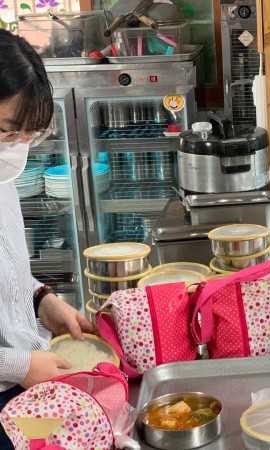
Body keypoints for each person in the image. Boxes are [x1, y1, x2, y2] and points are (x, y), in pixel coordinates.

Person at [0, 30, 97, 447]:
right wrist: (19, 366)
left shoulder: (2, 178)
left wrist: (42, 300)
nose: (17, 147)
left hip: (21, 389)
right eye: (8, 131)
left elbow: (8, 267)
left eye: (30, 135)